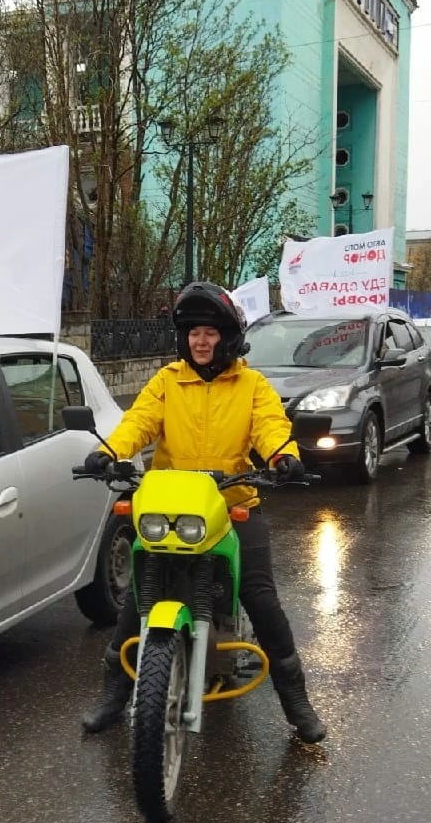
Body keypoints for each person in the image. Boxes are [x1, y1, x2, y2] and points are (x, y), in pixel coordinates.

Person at [78, 281, 327, 743]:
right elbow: (138, 422)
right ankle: (114, 693)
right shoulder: (167, 381)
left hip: (232, 504)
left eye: (210, 332)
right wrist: (110, 450)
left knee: (261, 596)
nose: (201, 340)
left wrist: (282, 456)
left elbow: (270, 425)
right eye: (193, 331)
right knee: (137, 600)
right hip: (172, 507)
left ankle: (297, 704)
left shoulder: (252, 385)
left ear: (228, 337)